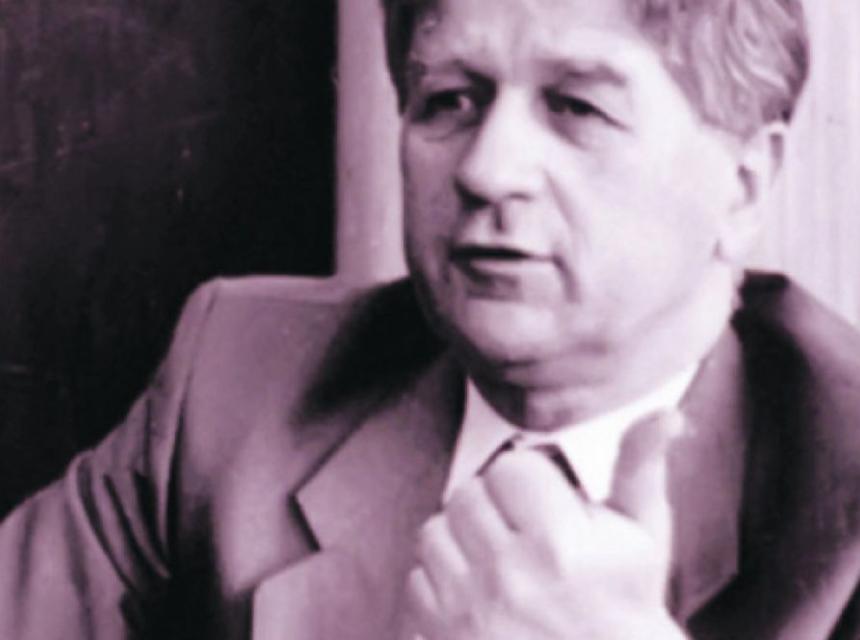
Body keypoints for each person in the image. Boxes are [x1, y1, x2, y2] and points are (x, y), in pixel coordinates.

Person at [3, 0, 859, 638]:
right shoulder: (240, 377)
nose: (488, 168)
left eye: (577, 107)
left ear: (744, 184)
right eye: (450, 99)